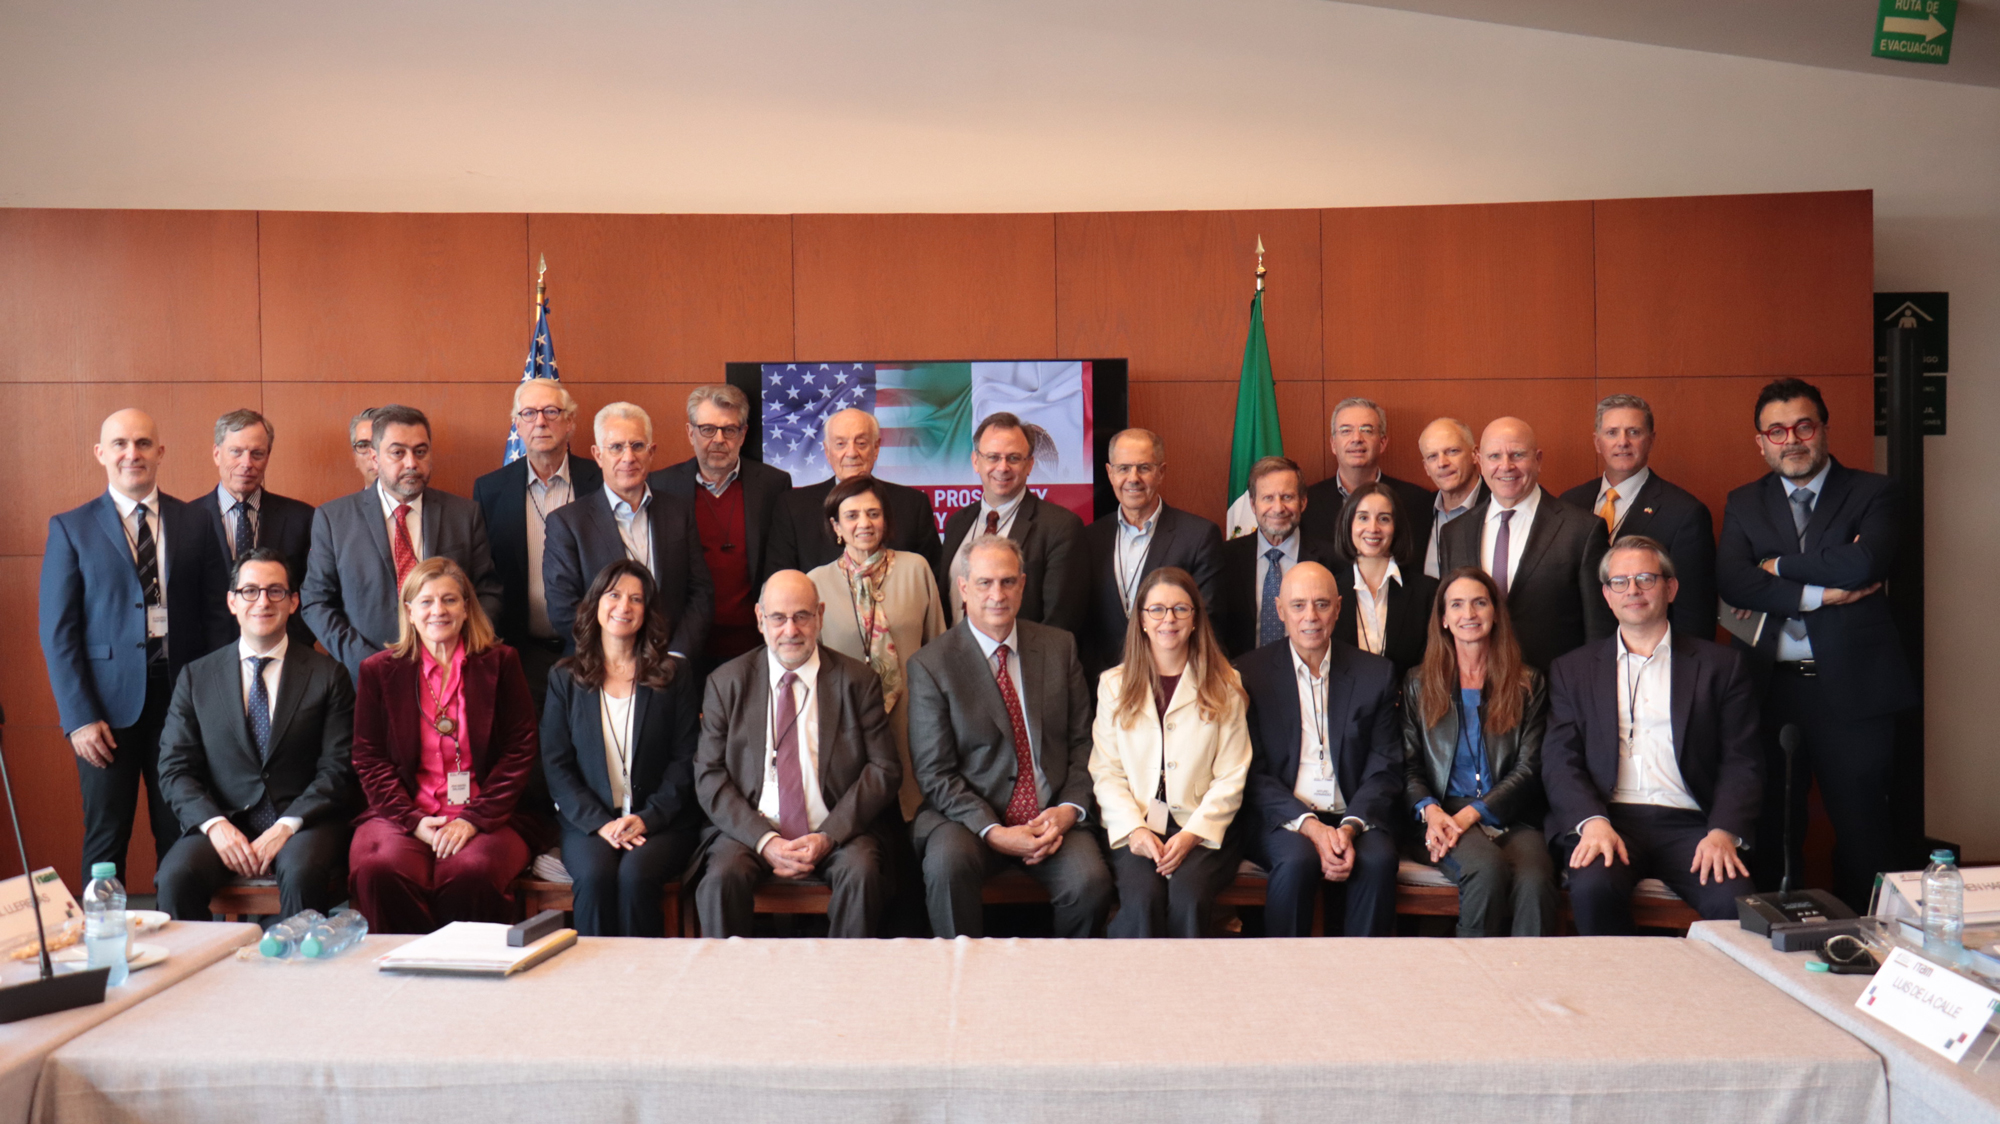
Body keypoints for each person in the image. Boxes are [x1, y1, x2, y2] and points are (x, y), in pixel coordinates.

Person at [1717, 378, 1915, 910]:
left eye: (1804, 425)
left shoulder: (1875, 491)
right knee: (1774, 827)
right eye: (1777, 431)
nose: (1792, 439)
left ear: (1823, 429)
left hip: (1853, 690)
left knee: (1863, 829)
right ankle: (1775, 944)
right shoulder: (1744, 501)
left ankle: (1867, 948)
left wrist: (1776, 566)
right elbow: (1733, 580)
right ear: (1761, 441)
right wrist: (1823, 594)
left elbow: (1865, 562)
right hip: (1768, 691)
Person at [40, 409, 233, 880]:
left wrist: (215, 708)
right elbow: (58, 631)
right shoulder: (71, 528)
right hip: (104, 713)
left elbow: (216, 621)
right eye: (121, 444)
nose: (133, 454)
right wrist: (79, 717)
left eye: (144, 443)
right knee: (106, 837)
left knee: (183, 833)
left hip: (181, 704)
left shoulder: (196, 521)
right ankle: (104, 952)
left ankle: (191, 942)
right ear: (101, 454)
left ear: (160, 452)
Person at [1543, 537, 1762, 933]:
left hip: (1694, 826)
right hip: (1610, 819)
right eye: (1621, 582)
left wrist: (1723, 831)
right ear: (1607, 596)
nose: (1633, 591)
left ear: (1670, 588)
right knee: (1593, 887)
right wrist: (1590, 822)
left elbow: (1742, 760)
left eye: (1645, 578)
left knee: (1733, 903)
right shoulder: (1572, 670)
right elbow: (1561, 760)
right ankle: (1619, 992)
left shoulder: (1720, 666)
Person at [905, 535, 1113, 938]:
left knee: (1090, 882)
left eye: (1006, 582)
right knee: (946, 865)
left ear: (1022, 583)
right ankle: (961, 987)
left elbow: (1083, 744)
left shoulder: (1059, 647)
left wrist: (1069, 809)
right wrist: (994, 831)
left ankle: (1065, 991)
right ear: (963, 588)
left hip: (1051, 815)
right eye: (984, 583)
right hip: (969, 821)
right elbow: (935, 773)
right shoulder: (932, 665)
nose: (997, 594)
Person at [693, 571, 902, 938]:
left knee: (863, 874)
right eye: (778, 618)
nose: (790, 630)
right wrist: (765, 840)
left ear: (820, 615)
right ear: (760, 619)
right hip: (752, 830)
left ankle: (846, 990)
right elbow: (709, 776)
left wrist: (829, 834)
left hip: (837, 829)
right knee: (720, 880)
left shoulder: (857, 681)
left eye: (802, 616)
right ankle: (727, 991)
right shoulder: (727, 683)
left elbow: (884, 769)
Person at [154, 548, 357, 920]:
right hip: (225, 821)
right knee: (175, 876)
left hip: (302, 824)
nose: (262, 601)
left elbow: (338, 770)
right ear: (232, 602)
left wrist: (286, 826)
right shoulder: (197, 677)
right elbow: (174, 768)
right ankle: (199, 977)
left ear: (293, 601)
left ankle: (298, 976)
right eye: (250, 591)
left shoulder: (329, 675)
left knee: (300, 871)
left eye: (275, 591)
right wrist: (215, 825)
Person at [347, 558, 541, 933]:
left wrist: (472, 820)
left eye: (450, 600)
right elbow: (368, 758)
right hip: (402, 812)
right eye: (426, 601)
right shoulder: (378, 670)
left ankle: (469, 979)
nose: (439, 610)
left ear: (467, 608)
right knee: (381, 869)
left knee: (470, 872)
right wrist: (413, 821)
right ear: (409, 611)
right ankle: (410, 976)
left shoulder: (501, 663)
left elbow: (520, 750)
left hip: (488, 813)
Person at [1237, 563, 1402, 937]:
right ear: (1279, 611)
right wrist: (1310, 827)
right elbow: (1252, 772)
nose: (1310, 617)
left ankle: (1363, 979)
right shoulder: (1249, 674)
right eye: (1298, 606)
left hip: (1354, 813)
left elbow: (1385, 765)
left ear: (1339, 607)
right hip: (1285, 817)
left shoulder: (1375, 674)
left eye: (1322, 604)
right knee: (1297, 861)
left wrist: (1348, 827)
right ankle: (1286, 980)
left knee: (1377, 860)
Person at [540, 560, 704, 937]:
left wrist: (648, 818)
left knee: (635, 875)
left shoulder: (672, 674)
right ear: (596, 603)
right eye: (613, 595)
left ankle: (639, 983)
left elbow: (686, 759)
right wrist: (601, 823)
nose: (623, 607)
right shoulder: (564, 677)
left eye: (636, 599)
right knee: (596, 875)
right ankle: (596, 985)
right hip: (589, 822)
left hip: (660, 822)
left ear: (647, 612)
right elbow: (556, 763)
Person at [1089, 567, 1251, 938]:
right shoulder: (1113, 685)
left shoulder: (1225, 684)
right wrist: (1134, 830)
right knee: (1142, 898)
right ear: (1142, 620)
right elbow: (1106, 771)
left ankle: (1188, 991)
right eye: (1157, 610)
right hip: (1138, 826)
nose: (1169, 619)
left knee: (1189, 896)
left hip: (1203, 827)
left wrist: (1193, 834)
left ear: (1195, 618)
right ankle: (1143, 991)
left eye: (1181, 609)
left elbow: (1232, 775)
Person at [1400, 568, 1557, 937]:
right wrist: (1432, 811)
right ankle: (1472, 988)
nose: (1468, 614)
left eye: (1479, 603)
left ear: (1496, 612)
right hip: (1441, 814)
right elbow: (1407, 768)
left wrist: (1475, 813)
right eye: (1456, 605)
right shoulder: (1417, 683)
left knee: (1536, 881)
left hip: (1511, 815)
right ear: (1443, 619)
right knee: (1485, 869)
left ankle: (1531, 987)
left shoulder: (1528, 682)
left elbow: (1530, 767)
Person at [302, 404, 504, 684]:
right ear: (374, 458)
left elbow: (487, 592)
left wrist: (461, 650)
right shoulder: (334, 519)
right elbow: (316, 602)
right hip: (365, 681)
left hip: (451, 676)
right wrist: (367, 662)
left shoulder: (464, 515)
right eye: (398, 452)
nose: (411, 463)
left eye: (420, 451)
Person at [807, 475, 945, 822]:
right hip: (847, 723)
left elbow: (939, 649)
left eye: (873, 513)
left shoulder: (917, 569)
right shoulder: (815, 582)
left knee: (912, 819)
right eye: (852, 516)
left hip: (914, 720)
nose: (864, 523)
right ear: (836, 526)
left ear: (886, 520)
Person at [542, 402, 714, 667]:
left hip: (669, 667)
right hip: (597, 668)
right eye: (616, 447)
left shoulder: (679, 512)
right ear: (598, 455)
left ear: (651, 452)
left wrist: (677, 655)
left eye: (637, 446)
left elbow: (699, 592)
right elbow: (564, 609)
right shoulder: (567, 523)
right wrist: (617, 658)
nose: (628, 457)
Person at [1436, 416, 1614, 671]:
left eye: (1517, 455)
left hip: (1555, 690)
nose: (1506, 466)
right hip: (1477, 686)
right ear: (1479, 460)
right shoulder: (1454, 533)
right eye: (1495, 456)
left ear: (1538, 459)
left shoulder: (1582, 530)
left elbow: (1599, 629)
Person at [473, 379, 602, 706]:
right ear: (517, 424)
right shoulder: (490, 490)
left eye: (551, 411)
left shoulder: (601, 481)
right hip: (520, 652)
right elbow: (483, 575)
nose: (540, 421)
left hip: (595, 648)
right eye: (528, 413)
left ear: (571, 421)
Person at [650, 385, 795, 676]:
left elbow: (781, 562)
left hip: (753, 646)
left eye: (729, 430)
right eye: (707, 429)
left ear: (743, 434)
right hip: (683, 646)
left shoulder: (772, 485)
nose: (718, 439)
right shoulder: (661, 486)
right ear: (690, 433)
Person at [1559, 394, 1718, 640]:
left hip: (1650, 658)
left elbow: (1694, 615)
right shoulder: (1569, 503)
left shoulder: (1685, 513)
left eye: (1633, 432)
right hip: (1578, 657)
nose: (1622, 442)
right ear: (1597, 442)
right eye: (1612, 433)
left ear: (1651, 440)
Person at [1081, 429, 1225, 676]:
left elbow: (1204, 622)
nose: (1133, 478)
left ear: (1161, 472)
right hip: (1104, 688)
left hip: (1175, 685)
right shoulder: (1089, 538)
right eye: (1123, 468)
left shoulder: (1198, 537)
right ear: (1110, 473)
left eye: (1144, 468)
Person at [936, 412, 1087, 633]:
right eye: (993, 457)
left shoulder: (1061, 527)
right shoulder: (957, 523)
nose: (1003, 467)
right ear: (976, 461)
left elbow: (1060, 624)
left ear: (1029, 465)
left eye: (1014, 458)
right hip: (954, 660)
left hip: (1020, 663)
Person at [189, 409, 316, 649]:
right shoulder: (187, 520)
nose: (246, 463)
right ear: (217, 454)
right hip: (206, 658)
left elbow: (314, 593)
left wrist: (291, 642)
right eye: (236, 452)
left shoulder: (303, 518)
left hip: (284, 653)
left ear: (268, 456)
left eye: (257, 453)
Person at [770, 408, 941, 574]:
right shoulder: (793, 508)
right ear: (828, 452)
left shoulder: (913, 505)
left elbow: (933, 582)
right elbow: (779, 583)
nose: (851, 453)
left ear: (876, 448)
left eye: (861, 443)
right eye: (840, 444)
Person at [1219, 456, 1339, 659]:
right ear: (1253, 504)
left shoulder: (1332, 560)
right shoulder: (1225, 558)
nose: (1278, 508)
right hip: (1239, 677)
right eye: (1268, 498)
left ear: (1303, 502)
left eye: (1287, 497)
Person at [1301, 398, 1433, 569]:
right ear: (1333, 444)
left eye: (1367, 430)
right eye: (1346, 431)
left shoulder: (1417, 501)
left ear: (1382, 442)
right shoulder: (1307, 503)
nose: (1356, 438)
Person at [1331, 481, 1438, 683]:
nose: (1373, 528)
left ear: (1396, 527)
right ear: (1349, 524)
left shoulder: (1428, 593)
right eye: (1363, 517)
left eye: (1384, 519)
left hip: (1407, 711)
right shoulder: (1329, 592)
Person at [1414, 417, 1485, 579]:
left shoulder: (1498, 506)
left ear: (1475, 455)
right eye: (1432, 456)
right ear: (1426, 467)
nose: (1442, 463)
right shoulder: (1417, 511)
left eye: (1452, 451)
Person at [348, 408, 379, 489]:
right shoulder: (346, 502)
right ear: (355, 458)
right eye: (364, 446)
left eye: (379, 444)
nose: (373, 456)